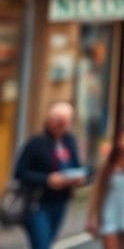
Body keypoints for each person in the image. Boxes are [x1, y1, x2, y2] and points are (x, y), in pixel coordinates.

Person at [14, 102, 86, 249]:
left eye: (66, 122)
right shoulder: (36, 143)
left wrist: (79, 177)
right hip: (37, 203)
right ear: (50, 120)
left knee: (48, 242)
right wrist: (47, 180)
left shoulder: (69, 141)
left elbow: (77, 165)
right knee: (42, 245)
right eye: (60, 121)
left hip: (60, 201)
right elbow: (19, 173)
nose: (63, 126)